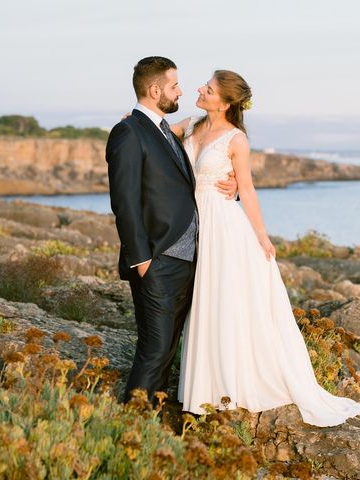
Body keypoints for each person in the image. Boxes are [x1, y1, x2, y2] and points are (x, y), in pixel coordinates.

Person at [172, 70, 360, 427]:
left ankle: (229, 385)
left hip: (224, 227)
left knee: (224, 301)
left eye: (208, 89)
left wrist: (262, 235)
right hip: (195, 223)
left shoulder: (236, 139)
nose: (200, 89)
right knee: (204, 300)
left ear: (225, 102)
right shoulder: (193, 125)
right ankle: (204, 386)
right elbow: (157, 134)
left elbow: (247, 186)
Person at [105, 57, 237, 404]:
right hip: (157, 260)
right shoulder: (130, 132)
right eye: (174, 85)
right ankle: (128, 429)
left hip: (188, 261)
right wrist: (141, 259)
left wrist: (233, 181)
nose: (181, 90)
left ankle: (150, 423)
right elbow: (125, 202)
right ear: (154, 90)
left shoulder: (166, 129)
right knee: (154, 348)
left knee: (167, 350)